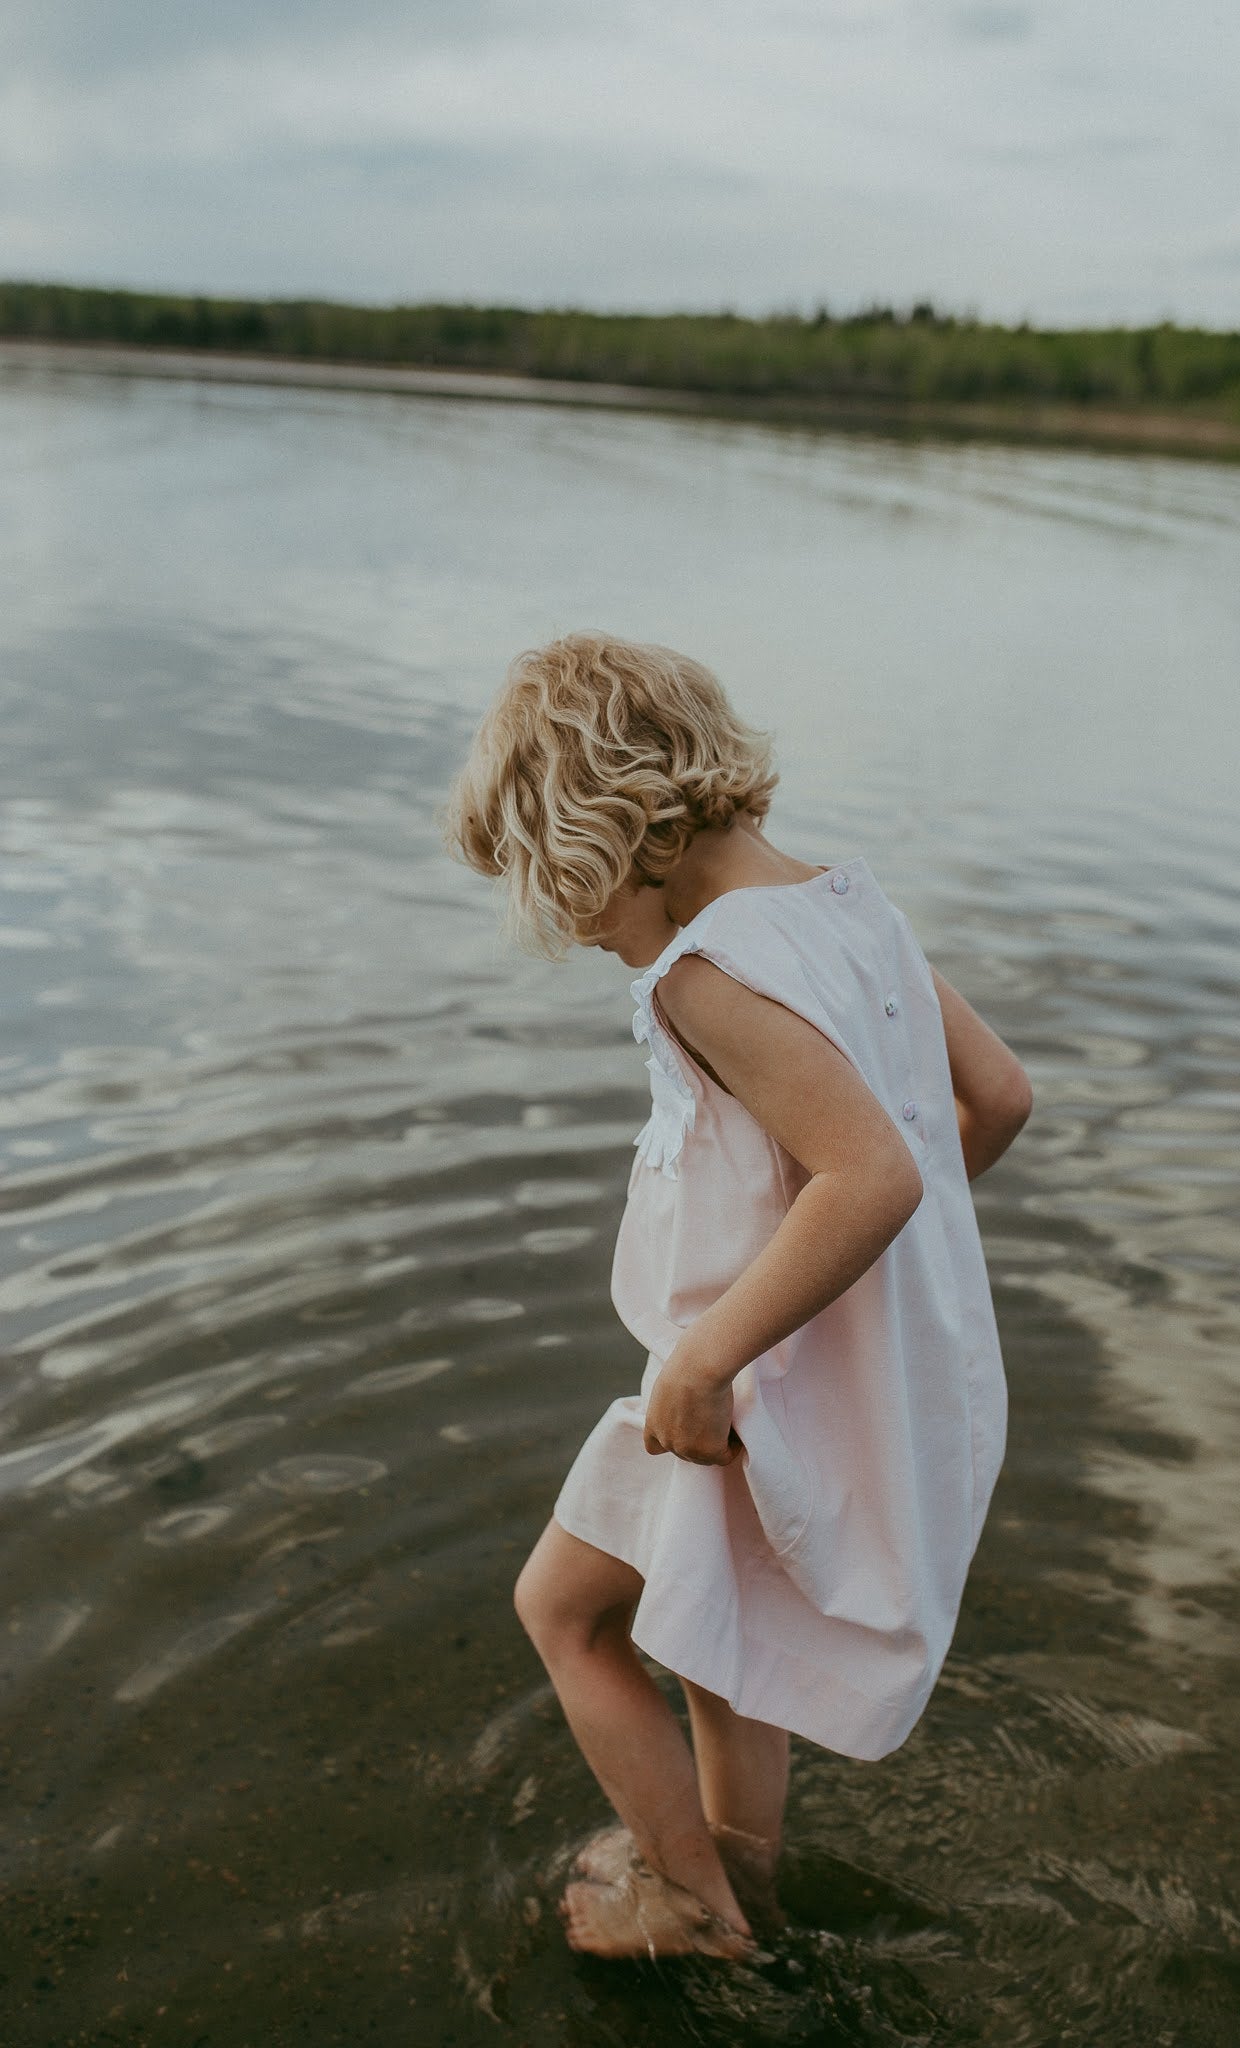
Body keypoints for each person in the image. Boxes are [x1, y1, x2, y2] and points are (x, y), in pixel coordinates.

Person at [443, 631, 1031, 1961]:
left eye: (563, 890)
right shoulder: (846, 902)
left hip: (736, 1385)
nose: (582, 932)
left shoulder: (707, 969)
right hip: (799, 1379)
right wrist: (870, 1310)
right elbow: (993, 1102)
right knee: (719, 1660)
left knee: (563, 1612)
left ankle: (691, 1906)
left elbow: (870, 1175)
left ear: (600, 830)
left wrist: (709, 1358)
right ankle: (748, 1898)